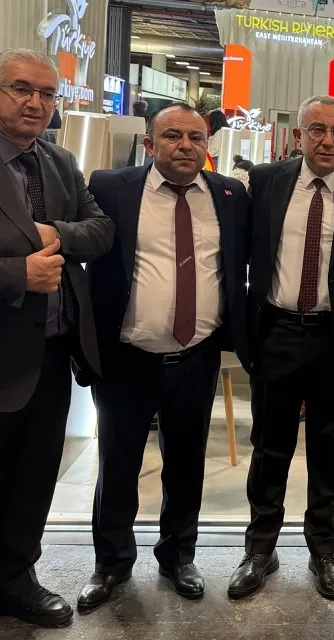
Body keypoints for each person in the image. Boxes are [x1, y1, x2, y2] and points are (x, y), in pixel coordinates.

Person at [76, 102, 251, 611]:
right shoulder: (111, 187)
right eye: (173, 136)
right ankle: (112, 563)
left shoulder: (229, 195)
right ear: (150, 144)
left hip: (196, 356)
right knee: (119, 463)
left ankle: (178, 557)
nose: (185, 146)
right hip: (127, 356)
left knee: (186, 465)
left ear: (207, 145)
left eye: (196, 137)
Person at [227, 95, 334, 602]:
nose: (327, 140)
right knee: (269, 445)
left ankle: (324, 549)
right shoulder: (267, 182)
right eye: (316, 129)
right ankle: (260, 548)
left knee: (328, 448)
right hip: (276, 330)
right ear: (298, 136)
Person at [0, 47, 115, 628]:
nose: (35, 102)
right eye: (21, 88)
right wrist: (16, 275)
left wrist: (55, 235)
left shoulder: (61, 162)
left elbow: (101, 230)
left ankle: (16, 579)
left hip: (50, 355)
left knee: (34, 475)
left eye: (47, 94)